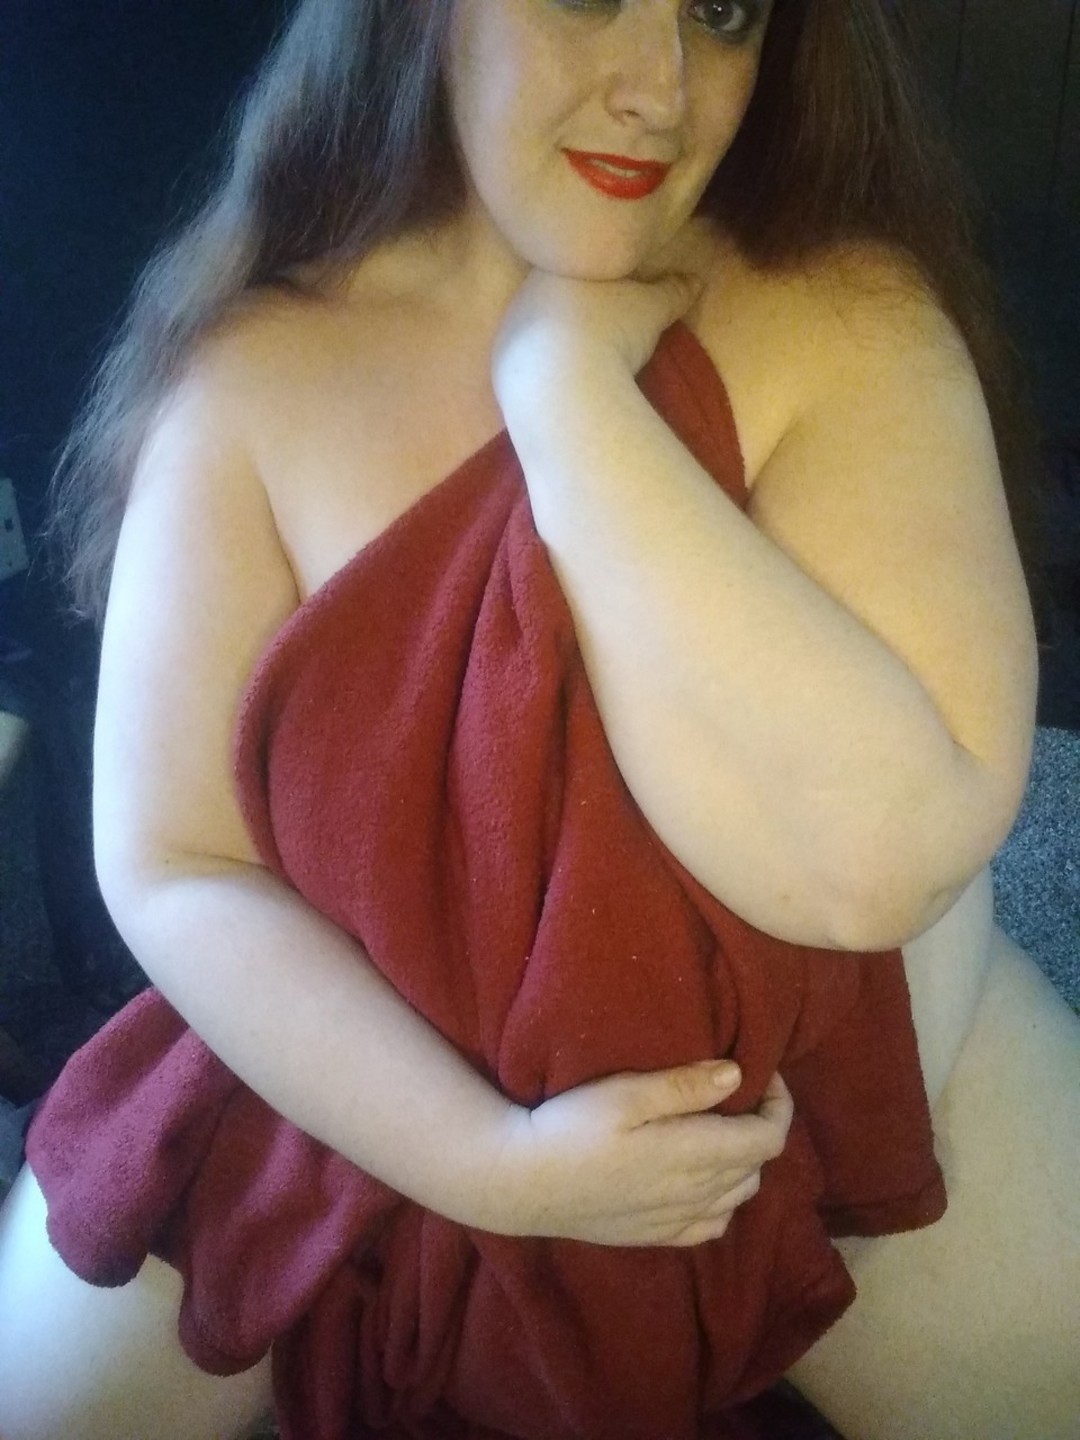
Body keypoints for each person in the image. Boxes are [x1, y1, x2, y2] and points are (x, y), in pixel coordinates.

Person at [0, 0, 1077, 1436]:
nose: (663, 88)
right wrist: (481, 1161)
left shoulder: (842, 312)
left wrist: (570, 402)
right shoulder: (252, 377)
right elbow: (173, 860)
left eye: (722, 12)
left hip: (822, 1081)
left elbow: (877, 858)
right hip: (347, 1057)